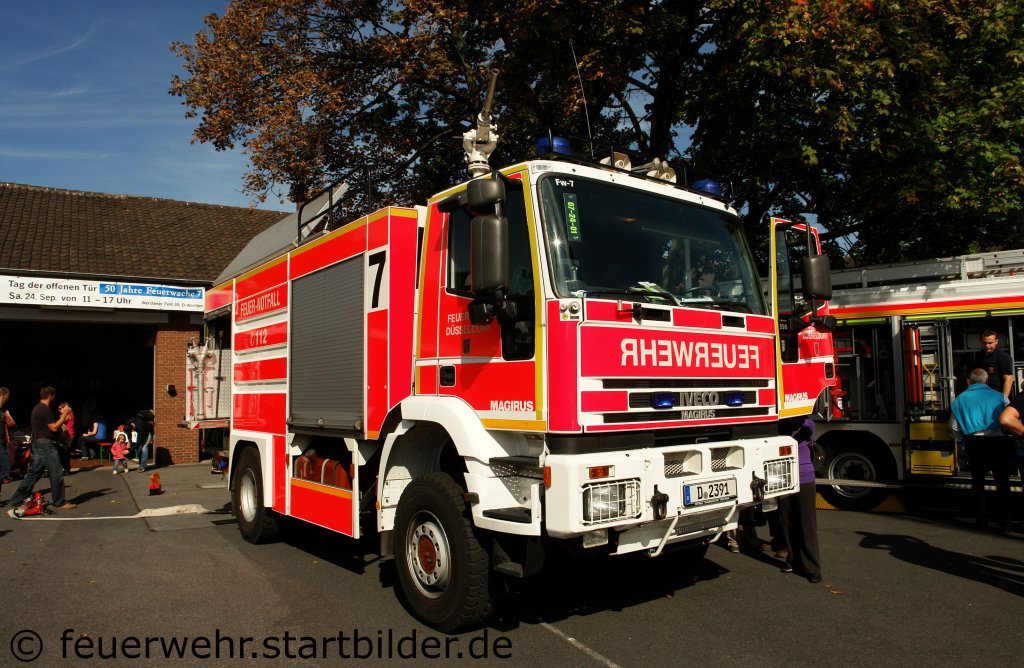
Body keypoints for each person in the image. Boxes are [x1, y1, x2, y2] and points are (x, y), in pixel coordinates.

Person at [951, 368, 1012, 531]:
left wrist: (962, 440)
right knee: (1002, 482)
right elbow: (1010, 420)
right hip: (998, 441)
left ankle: (981, 520)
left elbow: (954, 427)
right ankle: (1005, 520)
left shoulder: (960, 399)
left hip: (975, 443)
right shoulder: (1000, 397)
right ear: (986, 380)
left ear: (969, 381)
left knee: (978, 483)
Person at [5, 386, 77, 511]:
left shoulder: (38, 408)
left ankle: (16, 499)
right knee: (56, 472)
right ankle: (59, 501)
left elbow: (51, 426)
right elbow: (54, 427)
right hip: (45, 444)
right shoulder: (44, 409)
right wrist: (65, 413)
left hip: (38, 443)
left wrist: (64, 417)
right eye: (54, 395)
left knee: (34, 473)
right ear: (51, 395)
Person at [778, 416, 822, 583]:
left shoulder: (805, 423)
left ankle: (812, 568)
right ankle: (793, 560)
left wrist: (795, 415)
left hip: (804, 477)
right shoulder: (778, 425)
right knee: (788, 521)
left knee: (807, 523)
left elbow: (809, 426)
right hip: (783, 477)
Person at [978, 330, 1013, 397]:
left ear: (996, 341)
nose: (987, 345)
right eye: (984, 343)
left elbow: (1008, 379)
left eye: (990, 343)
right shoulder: (979, 356)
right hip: (982, 395)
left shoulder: (1003, 357)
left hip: (996, 395)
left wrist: (1003, 399)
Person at [0, 387, 12, 503]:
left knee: (3, 468)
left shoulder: (2, 410)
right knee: (6, 467)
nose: (8, 398)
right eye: (7, 396)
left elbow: (11, 425)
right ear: (3, 395)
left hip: (2, 441)